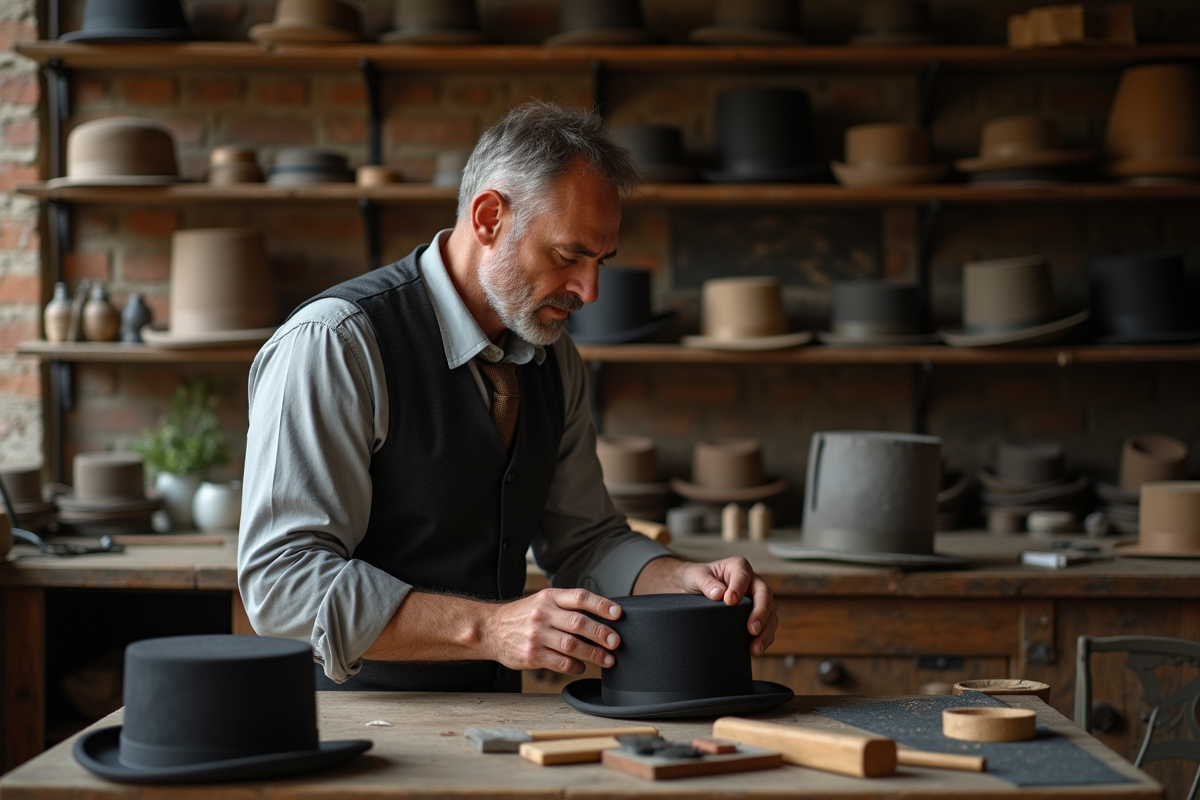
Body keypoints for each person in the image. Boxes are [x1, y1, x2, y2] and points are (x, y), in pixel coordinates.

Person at [238, 101, 778, 692]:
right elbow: (281, 585)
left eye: (601, 261)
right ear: (489, 217)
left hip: (495, 721)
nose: (590, 291)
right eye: (569, 256)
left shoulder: (554, 357)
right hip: (359, 726)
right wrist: (489, 629)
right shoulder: (337, 344)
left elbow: (585, 540)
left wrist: (681, 578)